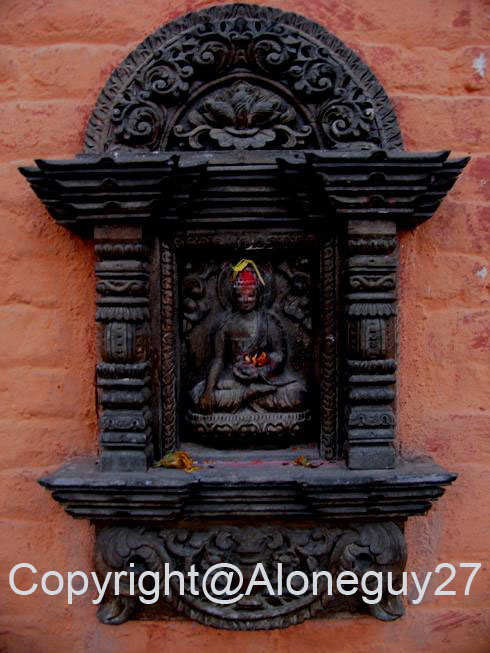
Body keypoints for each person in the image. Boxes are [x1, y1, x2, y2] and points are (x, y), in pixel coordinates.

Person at [190, 259, 306, 414]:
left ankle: (248, 396)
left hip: (264, 378)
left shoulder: (269, 322)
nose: (245, 300)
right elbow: (218, 359)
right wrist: (208, 391)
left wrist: (261, 368)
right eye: (240, 295)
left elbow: (279, 354)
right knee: (196, 395)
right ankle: (249, 394)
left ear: (258, 296)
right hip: (233, 378)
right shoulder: (226, 325)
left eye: (250, 295)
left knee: (297, 394)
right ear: (233, 296)